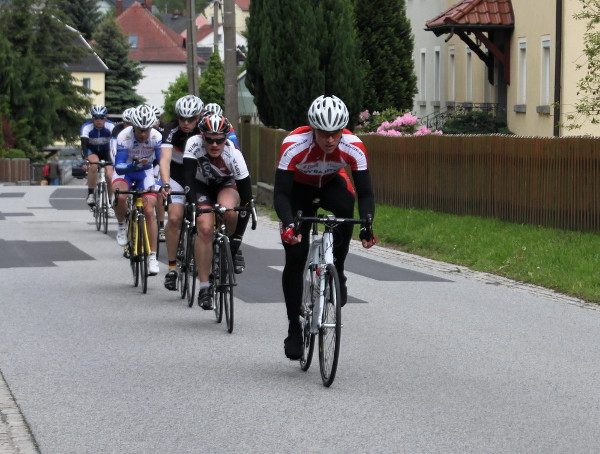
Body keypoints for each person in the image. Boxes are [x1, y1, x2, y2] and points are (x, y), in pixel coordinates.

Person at [273, 95, 377, 360]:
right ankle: (294, 328)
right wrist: (288, 225)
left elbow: (365, 193)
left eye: (336, 133)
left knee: (345, 207)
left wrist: (367, 225)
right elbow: (281, 194)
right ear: (312, 129)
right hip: (298, 190)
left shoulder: (354, 146)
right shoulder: (294, 144)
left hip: (331, 184)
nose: (330, 140)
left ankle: (338, 269)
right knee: (295, 257)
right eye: (324, 133)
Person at [183, 114, 253, 309]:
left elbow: (247, 199)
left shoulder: (234, 154)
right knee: (204, 228)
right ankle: (204, 287)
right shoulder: (193, 144)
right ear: (202, 136)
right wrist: (191, 206)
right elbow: (187, 177)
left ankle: (228, 247)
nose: (214, 144)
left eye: (219, 140)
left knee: (231, 211)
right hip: (201, 186)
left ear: (226, 138)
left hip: (226, 184)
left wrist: (238, 238)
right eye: (209, 140)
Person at [159, 94, 204, 291]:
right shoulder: (171, 129)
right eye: (182, 118)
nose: (186, 123)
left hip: (198, 176)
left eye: (191, 119)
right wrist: (166, 184)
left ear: (199, 117)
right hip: (177, 175)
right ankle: (171, 267)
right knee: (175, 218)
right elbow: (164, 160)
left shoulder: (205, 128)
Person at [112, 104, 163, 276]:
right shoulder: (124, 136)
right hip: (126, 170)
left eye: (146, 130)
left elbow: (162, 164)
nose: (143, 134)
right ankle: (121, 225)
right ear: (133, 126)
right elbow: (118, 167)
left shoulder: (156, 137)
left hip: (146, 172)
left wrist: (160, 183)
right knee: (120, 195)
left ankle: (153, 256)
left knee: (149, 210)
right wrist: (132, 165)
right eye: (139, 130)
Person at [80, 105, 115, 206]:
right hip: (92, 150)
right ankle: (91, 194)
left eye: (101, 118)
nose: (99, 120)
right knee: (93, 165)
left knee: (109, 175)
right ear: (92, 118)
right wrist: (85, 160)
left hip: (107, 151)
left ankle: (109, 199)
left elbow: (115, 145)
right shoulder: (86, 127)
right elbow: (84, 145)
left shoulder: (111, 126)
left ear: (105, 118)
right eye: (96, 117)